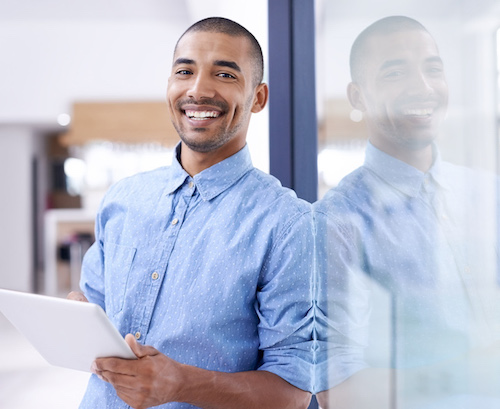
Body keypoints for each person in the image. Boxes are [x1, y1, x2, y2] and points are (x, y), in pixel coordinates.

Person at [69, 17, 314, 409]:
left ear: (258, 97)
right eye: (185, 71)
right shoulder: (123, 200)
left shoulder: (287, 225)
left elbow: (293, 393)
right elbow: (95, 312)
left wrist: (180, 384)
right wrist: (76, 320)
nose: (198, 90)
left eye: (225, 74)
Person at [314, 16, 500, 408]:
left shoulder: (489, 193)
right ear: (357, 97)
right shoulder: (336, 222)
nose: (423, 86)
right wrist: (473, 375)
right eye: (395, 72)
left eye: (433, 68)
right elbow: (338, 387)